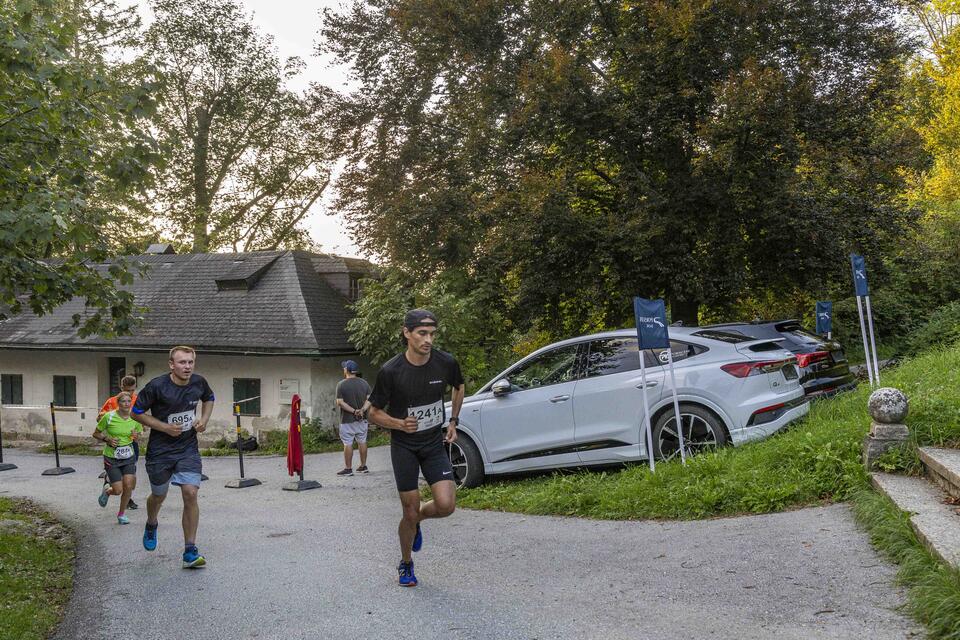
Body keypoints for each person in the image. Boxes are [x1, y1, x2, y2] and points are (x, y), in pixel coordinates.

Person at [368, 309, 465, 587]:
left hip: (433, 442)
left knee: (446, 505)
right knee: (407, 511)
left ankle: (418, 518)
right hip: (404, 446)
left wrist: (454, 421)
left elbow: (458, 387)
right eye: (422, 333)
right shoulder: (391, 371)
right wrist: (398, 424)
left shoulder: (445, 362)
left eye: (432, 334)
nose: (428, 340)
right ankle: (406, 563)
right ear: (407, 333)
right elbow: (373, 413)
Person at [131, 346, 214, 569]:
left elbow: (209, 398)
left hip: (187, 448)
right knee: (159, 495)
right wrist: (164, 427)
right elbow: (135, 412)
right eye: (182, 362)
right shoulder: (157, 386)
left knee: (190, 492)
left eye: (190, 362)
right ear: (171, 365)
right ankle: (151, 522)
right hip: (160, 451)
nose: (187, 367)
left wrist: (204, 420)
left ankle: (190, 550)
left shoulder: (199, 382)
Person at [92, 392, 142, 524]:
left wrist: (136, 436)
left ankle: (121, 514)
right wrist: (107, 439)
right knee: (118, 490)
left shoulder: (135, 418)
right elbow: (96, 433)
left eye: (128, 401)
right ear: (118, 404)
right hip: (111, 457)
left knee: (129, 485)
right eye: (123, 401)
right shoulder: (109, 417)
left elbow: (137, 435)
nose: (126, 404)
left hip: (128, 456)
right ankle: (108, 491)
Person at [97, 375, 140, 510]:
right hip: (115, 443)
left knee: (130, 478)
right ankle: (113, 484)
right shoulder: (112, 401)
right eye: (127, 390)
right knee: (120, 478)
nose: (130, 394)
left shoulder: (137, 400)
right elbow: (99, 418)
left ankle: (125, 496)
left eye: (132, 390)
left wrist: (138, 432)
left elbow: (142, 421)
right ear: (121, 388)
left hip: (131, 443)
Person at [334, 360, 372, 476]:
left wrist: (354, 411)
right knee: (362, 441)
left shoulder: (341, 384)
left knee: (348, 443)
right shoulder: (364, 383)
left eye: (344, 368)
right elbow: (369, 399)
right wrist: (362, 410)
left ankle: (348, 468)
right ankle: (363, 466)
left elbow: (340, 402)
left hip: (347, 420)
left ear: (347, 370)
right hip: (362, 418)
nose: (343, 369)